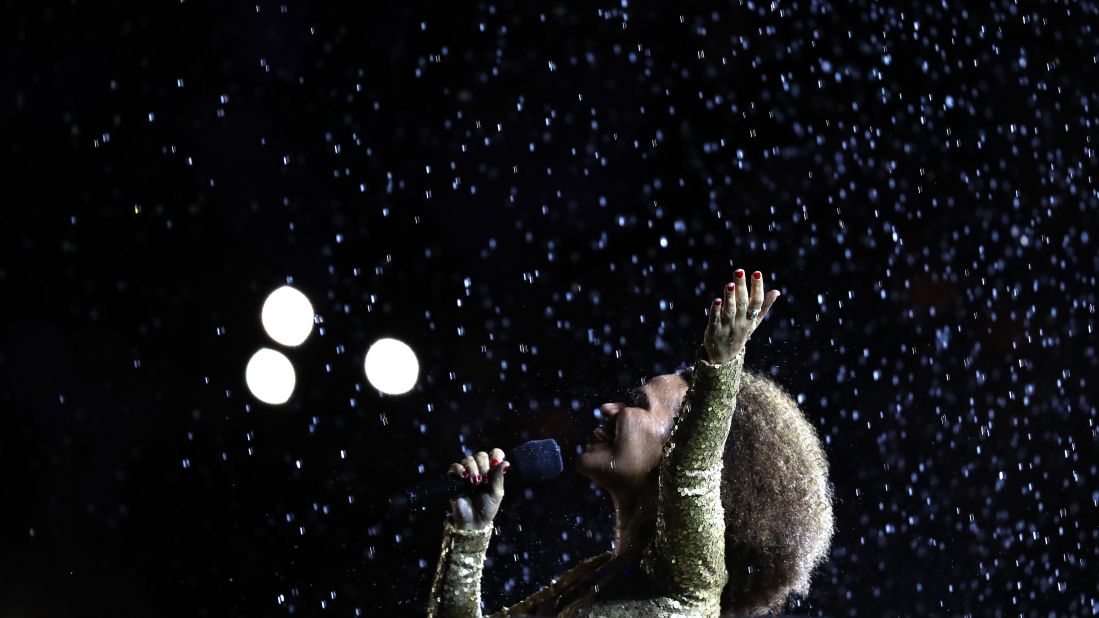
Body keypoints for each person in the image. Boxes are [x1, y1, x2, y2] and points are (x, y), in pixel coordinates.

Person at [427, 269, 833, 617]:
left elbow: (691, 472)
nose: (607, 408)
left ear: (691, 443)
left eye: (636, 404)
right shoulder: (592, 577)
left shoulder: (692, 580)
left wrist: (720, 364)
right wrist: (469, 533)